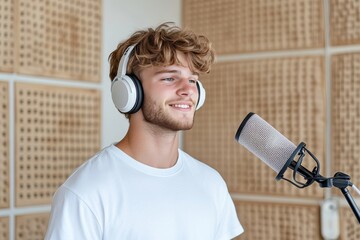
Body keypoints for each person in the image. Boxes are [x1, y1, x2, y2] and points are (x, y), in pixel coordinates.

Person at [45, 22, 244, 240]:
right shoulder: (86, 192)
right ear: (129, 91)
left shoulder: (211, 183)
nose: (188, 90)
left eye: (193, 80)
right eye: (169, 78)